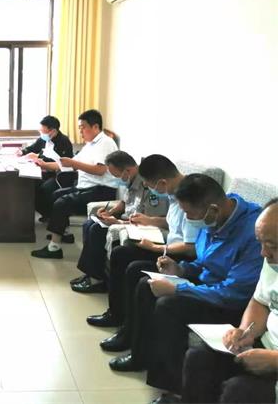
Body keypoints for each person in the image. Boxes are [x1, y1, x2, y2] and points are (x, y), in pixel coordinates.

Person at [109, 174, 263, 400]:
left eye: (190, 214)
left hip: (230, 301)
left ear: (212, 209)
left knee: (169, 305)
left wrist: (178, 289)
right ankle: (139, 354)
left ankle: (173, 387)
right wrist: (181, 270)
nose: (188, 219)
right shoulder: (215, 217)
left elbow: (233, 294)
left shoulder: (253, 234)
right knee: (145, 282)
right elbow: (204, 261)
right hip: (210, 285)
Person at [179, 198, 278, 404]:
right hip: (267, 344)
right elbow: (260, 301)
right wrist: (245, 331)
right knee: (199, 358)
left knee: (239, 391)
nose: (263, 253)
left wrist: (274, 361)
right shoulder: (272, 261)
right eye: (261, 243)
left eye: (272, 246)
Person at [87, 154, 196, 334]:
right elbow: (172, 223)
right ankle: (116, 314)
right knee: (121, 253)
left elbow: (191, 248)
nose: (148, 189)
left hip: (179, 255)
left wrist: (156, 248)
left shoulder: (191, 199)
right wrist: (149, 220)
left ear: (162, 183)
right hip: (168, 246)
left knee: (132, 267)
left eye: (150, 186)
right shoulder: (173, 192)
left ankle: (128, 329)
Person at [71, 150, 169, 293]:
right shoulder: (131, 180)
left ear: (127, 170)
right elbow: (124, 203)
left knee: (96, 230)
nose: (115, 178)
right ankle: (90, 274)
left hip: (139, 226)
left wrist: (118, 222)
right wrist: (110, 213)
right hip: (126, 220)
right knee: (89, 224)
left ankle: (97, 279)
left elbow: (147, 221)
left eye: (116, 175)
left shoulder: (149, 186)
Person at [31, 109, 118, 260]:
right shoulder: (90, 144)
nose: (80, 131)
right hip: (87, 187)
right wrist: (44, 165)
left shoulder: (105, 143)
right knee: (55, 194)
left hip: (101, 190)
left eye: (83, 127)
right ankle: (63, 233)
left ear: (95, 127)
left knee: (61, 202)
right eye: (79, 128)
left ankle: (54, 248)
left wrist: (73, 163)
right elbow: (67, 164)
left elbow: (100, 170)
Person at [18, 115, 74, 223]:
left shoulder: (64, 142)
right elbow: (33, 148)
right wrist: (22, 152)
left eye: (43, 131)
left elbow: (63, 164)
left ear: (53, 131)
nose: (41, 134)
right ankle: (46, 213)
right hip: (44, 171)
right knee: (29, 184)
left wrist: (39, 158)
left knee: (44, 189)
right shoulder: (43, 139)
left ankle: (52, 215)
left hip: (59, 175)